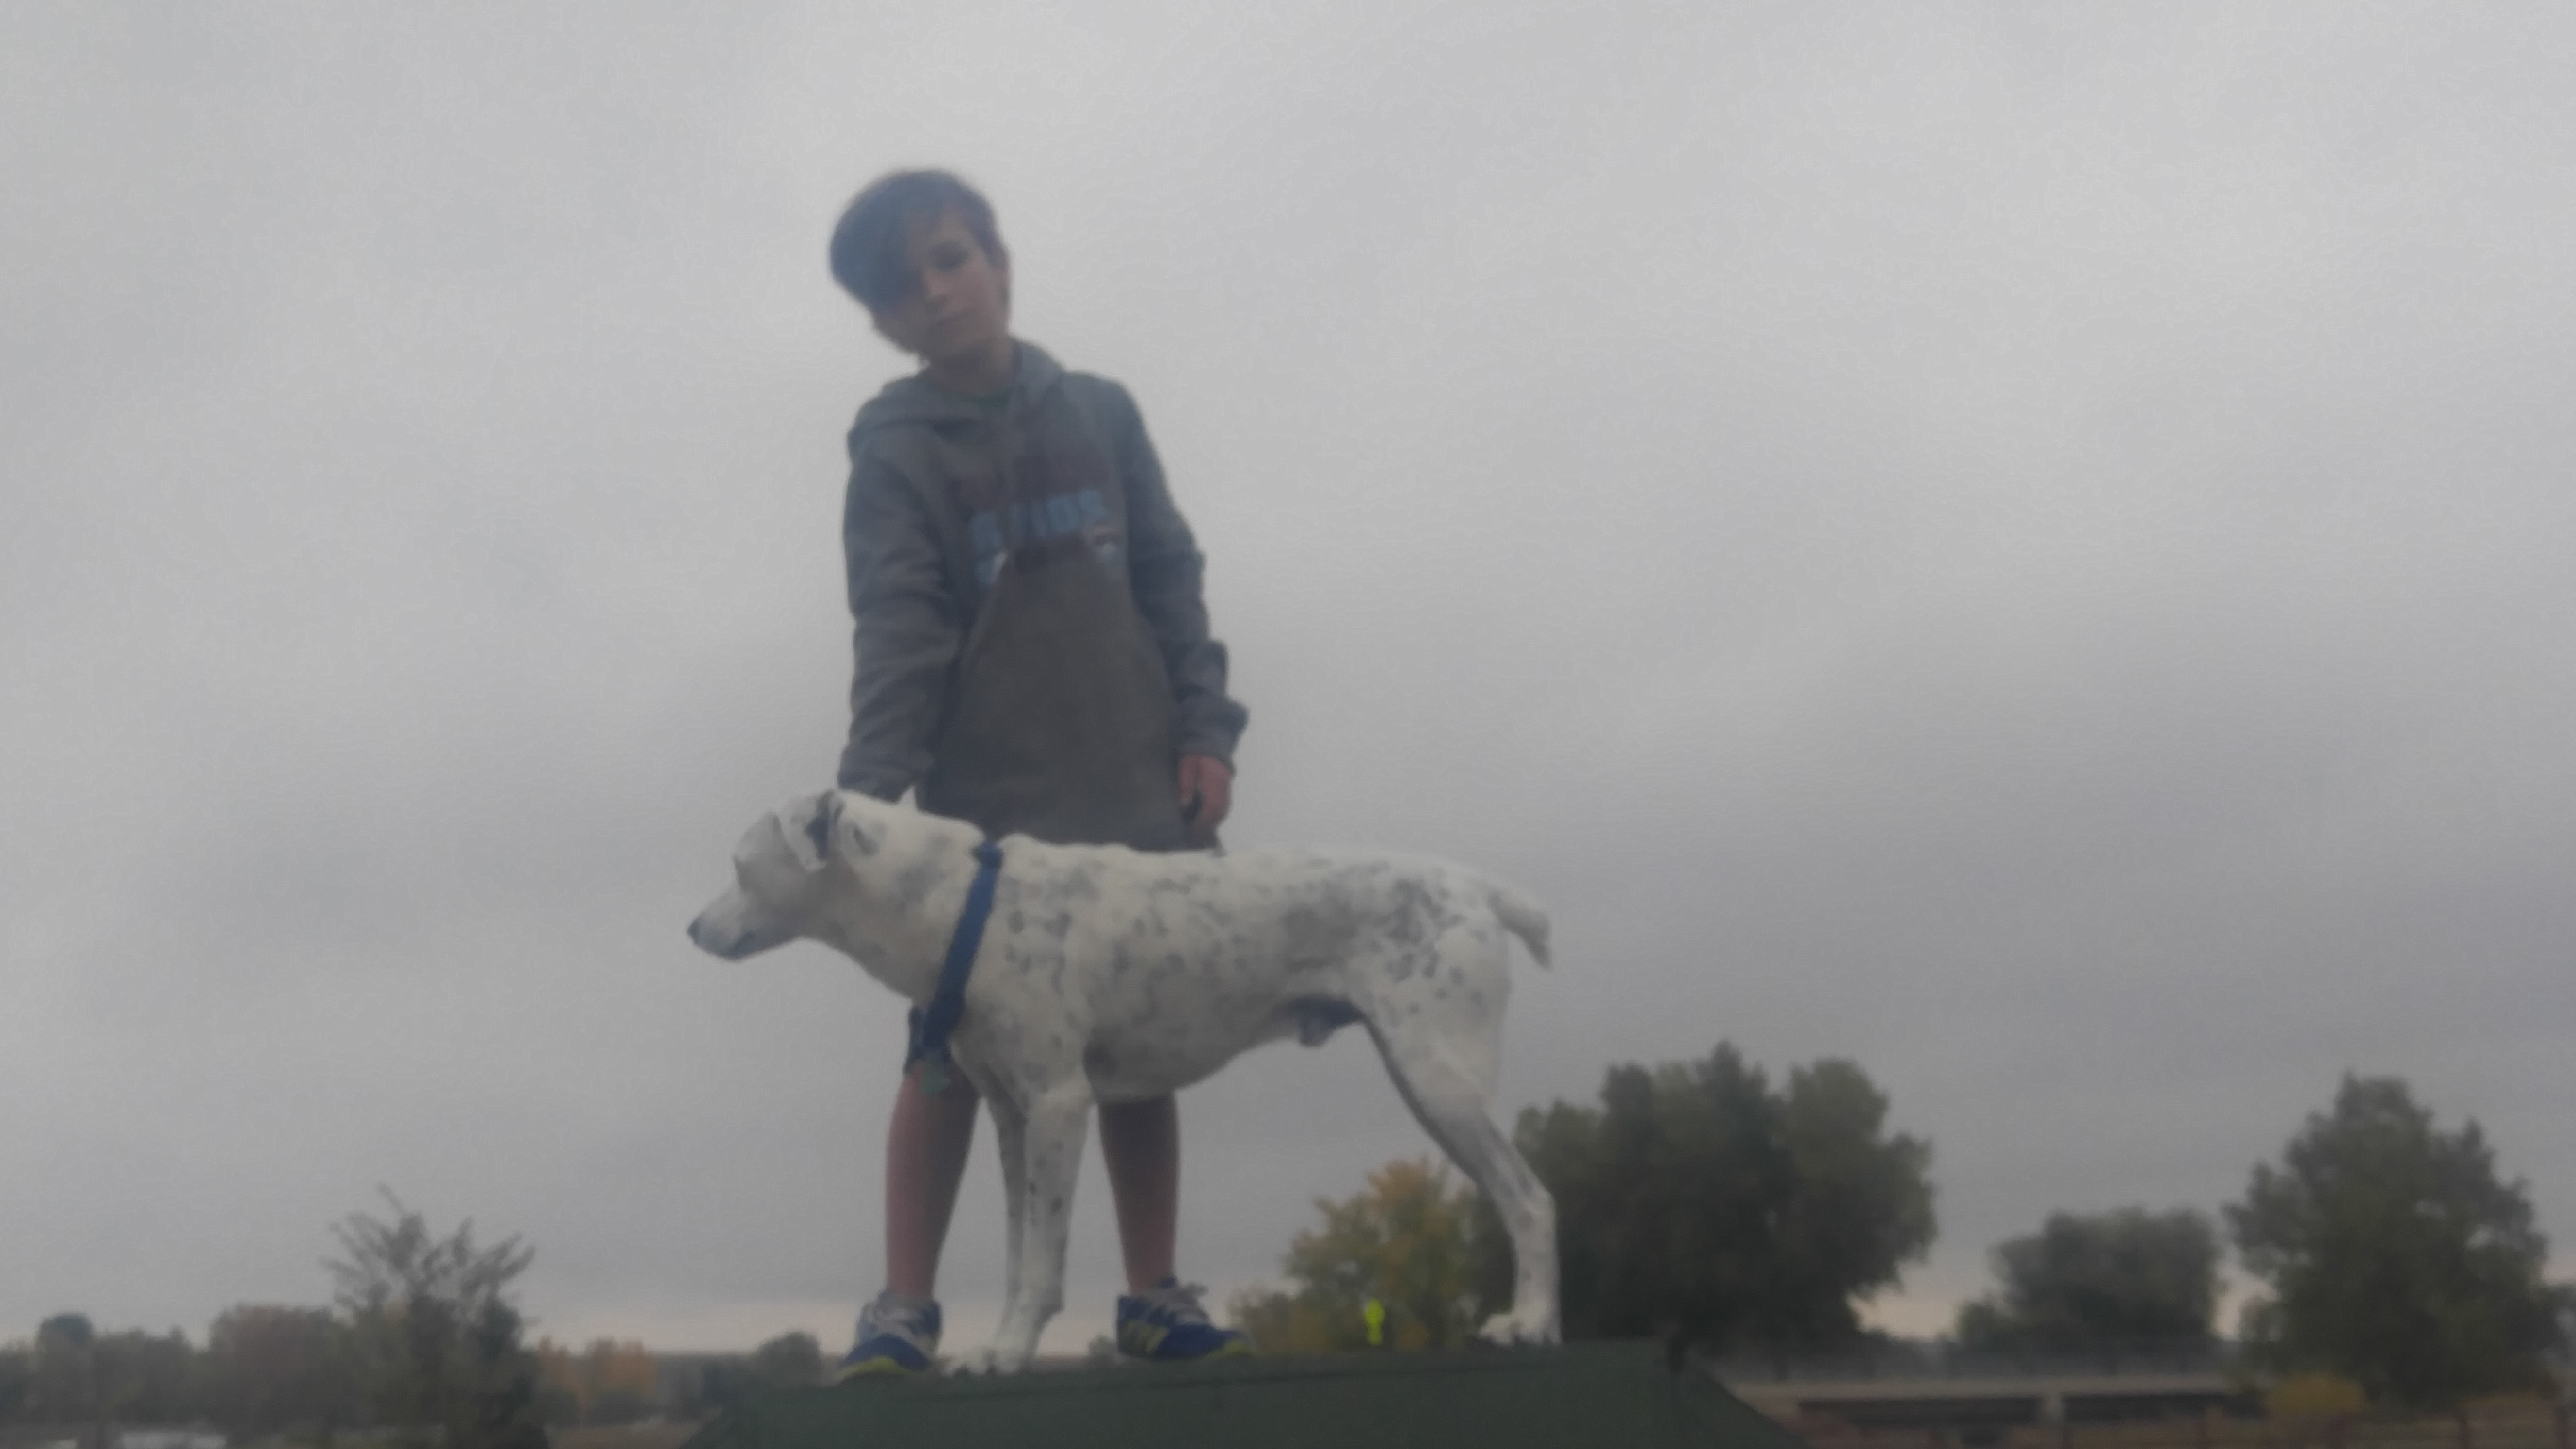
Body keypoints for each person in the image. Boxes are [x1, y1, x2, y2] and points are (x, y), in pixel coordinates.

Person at [821, 169, 1252, 1375]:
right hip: (988, 815)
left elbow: (1168, 573)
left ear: (999, 265)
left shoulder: (1102, 413)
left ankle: (1153, 1295)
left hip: (1133, 780)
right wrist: (865, 799)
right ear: (884, 324)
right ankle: (904, 1308)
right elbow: (898, 623)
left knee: (1133, 1046)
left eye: (950, 258)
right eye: (900, 288)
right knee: (946, 1049)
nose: (934, 292)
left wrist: (1206, 730)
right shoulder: (894, 454)